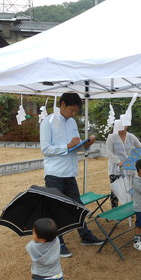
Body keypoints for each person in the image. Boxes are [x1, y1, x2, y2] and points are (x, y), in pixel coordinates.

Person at [40, 92, 103, 258]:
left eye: (76, 111)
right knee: (56, 210)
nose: (73, 114)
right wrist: (67, 145)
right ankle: (57, 243)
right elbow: (45, 150)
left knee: (77, 206)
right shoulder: (48, 122)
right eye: (71, 110)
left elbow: (75, 147)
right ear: (62, 104)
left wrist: (86, 145)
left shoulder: (72, 122)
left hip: (69, 172)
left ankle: (85, 236)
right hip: (54, 173)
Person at [106, 120, 141, 208]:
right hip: (115, 169)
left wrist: (134, 158)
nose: (123, 128)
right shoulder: (111, 137)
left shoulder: (131, 137)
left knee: (130, 189)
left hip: (129, 168)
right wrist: (118, 161)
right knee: (116, 190)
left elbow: (140, 148)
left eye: (125, 126)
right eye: (121, 126)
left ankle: (130, 208)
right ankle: (114, 209)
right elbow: (109, 152)